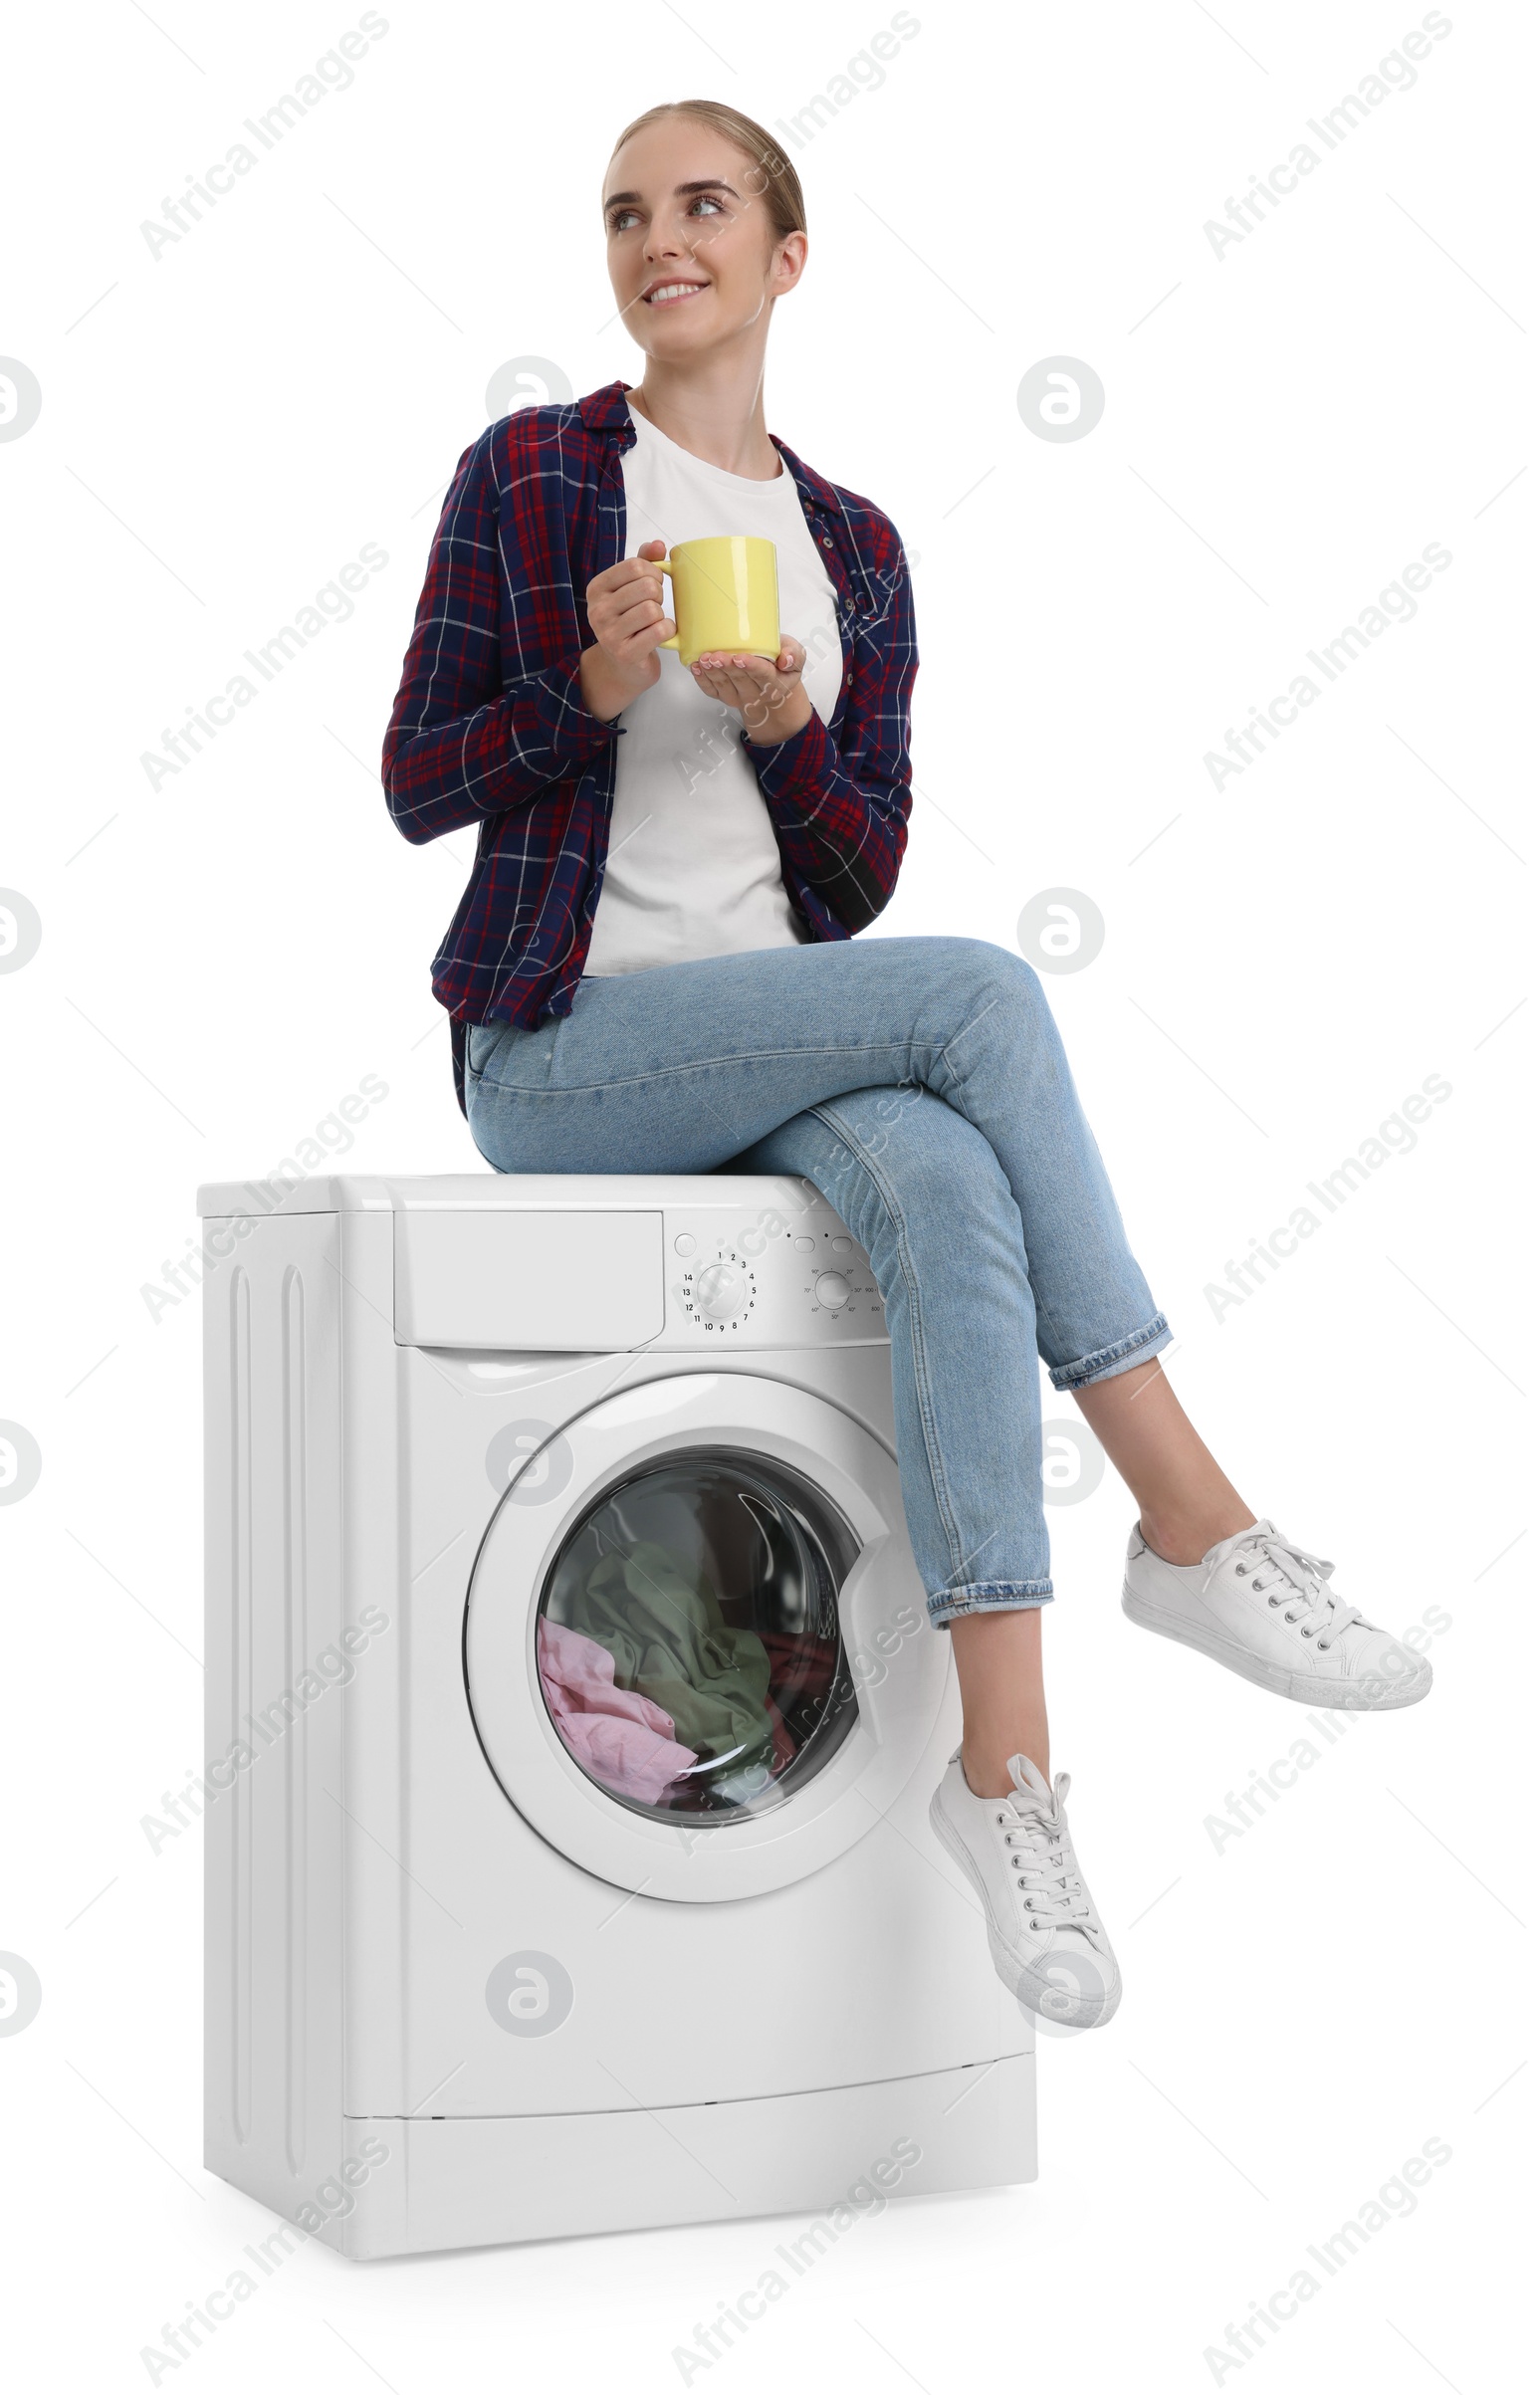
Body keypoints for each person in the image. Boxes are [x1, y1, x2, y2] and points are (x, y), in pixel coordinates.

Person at [381, 98, 1431, 2032]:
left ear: (785, 257)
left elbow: (850, 881)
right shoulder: (533, 476)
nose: (654, 239)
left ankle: (1003, 1782)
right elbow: (416, 781)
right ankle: (1193, 1525)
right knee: (982, 1003)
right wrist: (588, 690)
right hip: (562, 1046)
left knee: (951, 1183)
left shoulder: (847, 548)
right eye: (624, 213)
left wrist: (785, 729)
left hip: (767, 1043)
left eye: (700, 206)